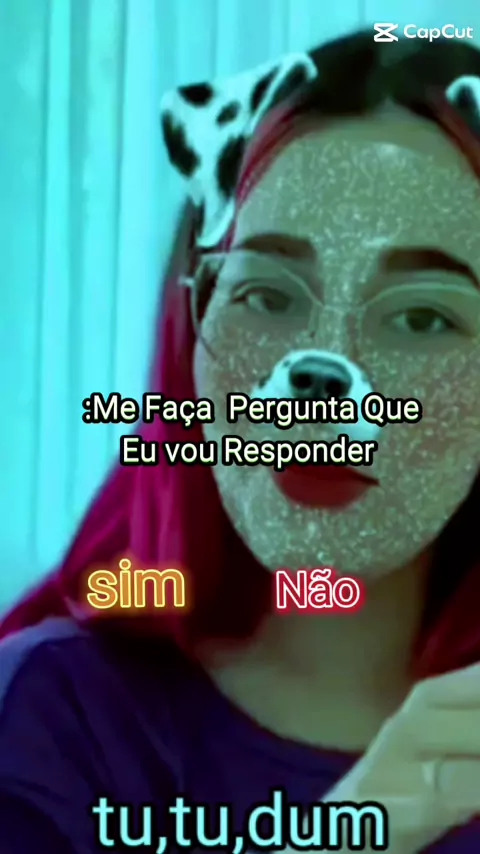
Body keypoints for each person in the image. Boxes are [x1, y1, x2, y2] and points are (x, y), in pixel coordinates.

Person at [1, 29, 480, 854]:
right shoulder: (50, 717)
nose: (324, 371)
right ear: (192, 329)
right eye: (269, 296)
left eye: (421, 316)